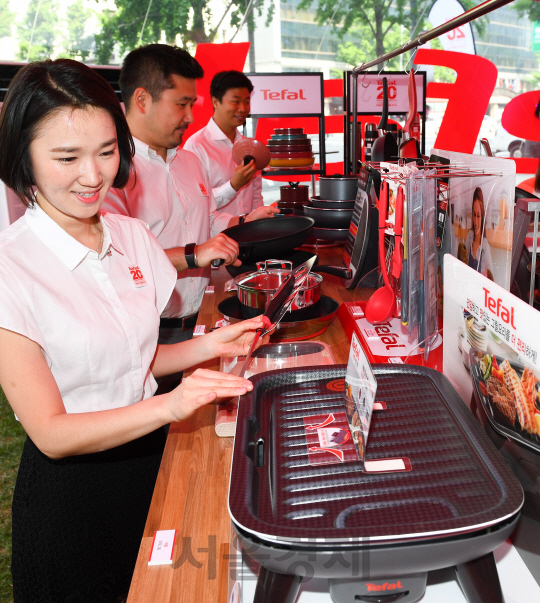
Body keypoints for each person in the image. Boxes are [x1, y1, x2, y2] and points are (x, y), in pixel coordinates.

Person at [0, 58, 267, 603]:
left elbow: (136, 361)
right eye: (66, 157)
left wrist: (209, 345)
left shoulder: (129, 234)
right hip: (72, 498)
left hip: (151, 462)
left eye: (105, 151)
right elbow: (51, 431)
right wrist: (171, 406)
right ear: (23, 157)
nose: (93, 175)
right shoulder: (12, 268)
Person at [101, 46, 277, 390]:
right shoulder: (113, 168)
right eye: (181, 104)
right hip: (151, 335)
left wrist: (244, 222)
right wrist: (195, 254)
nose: (189, 117)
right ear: (141, 100)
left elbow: (207, 221)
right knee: (155, 435)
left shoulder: (188, 161)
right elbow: (112, 259)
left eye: (190, 106)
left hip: (202, 318)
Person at [183, 70, 263, 216]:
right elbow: (195, 202)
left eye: (247, 102)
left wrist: (260, 224)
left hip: (250, 234)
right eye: (235, 101)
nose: (243, 109)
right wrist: (233, 186)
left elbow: (256, 196)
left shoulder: (248, 146)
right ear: (215, 102)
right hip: (216, 237)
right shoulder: (196, 146)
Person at [464, 187, 494, 279]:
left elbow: (491, 279)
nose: (476, 221)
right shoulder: (469, 237)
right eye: (474, 215)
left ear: (482, 218)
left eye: (478, 216)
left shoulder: (485, 247)